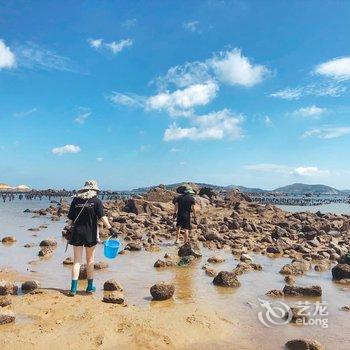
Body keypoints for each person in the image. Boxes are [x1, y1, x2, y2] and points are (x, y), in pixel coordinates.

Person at [67, 180, 117, 295]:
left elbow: (70, 218)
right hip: (90, 234)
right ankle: (89, 287)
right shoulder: (96, 201)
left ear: (84, 189)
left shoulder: (75, 200)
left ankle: (73, 289)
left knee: (77, 261)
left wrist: (68, 229)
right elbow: (102, 217)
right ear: (94, 190)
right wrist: (110, 228)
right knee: (90, 260)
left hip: (77, 233)